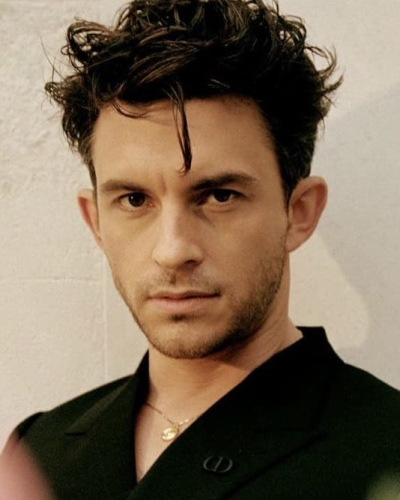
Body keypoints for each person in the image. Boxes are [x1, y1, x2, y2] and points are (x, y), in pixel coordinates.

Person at [2, 0, 400, 498]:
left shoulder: (386, 450)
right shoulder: (38, 453)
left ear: (299, 212)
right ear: (96, 221)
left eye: (218, 196)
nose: (172, 250)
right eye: (134, 200)